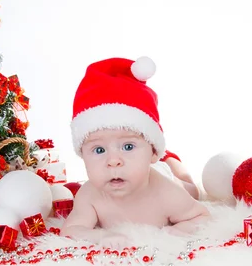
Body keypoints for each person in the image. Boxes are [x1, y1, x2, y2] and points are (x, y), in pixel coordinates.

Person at [60, 57, 210, 247]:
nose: (113, 161)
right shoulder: (89, 195)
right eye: (99, 150)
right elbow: (71, 230)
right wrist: (100, 238)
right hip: (149, 164)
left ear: (153, 152)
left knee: (191, 188)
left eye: (128, 146)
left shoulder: (167, 192)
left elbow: (202, 215)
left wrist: (178, 230)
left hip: (163, 173)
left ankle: (170, 159)